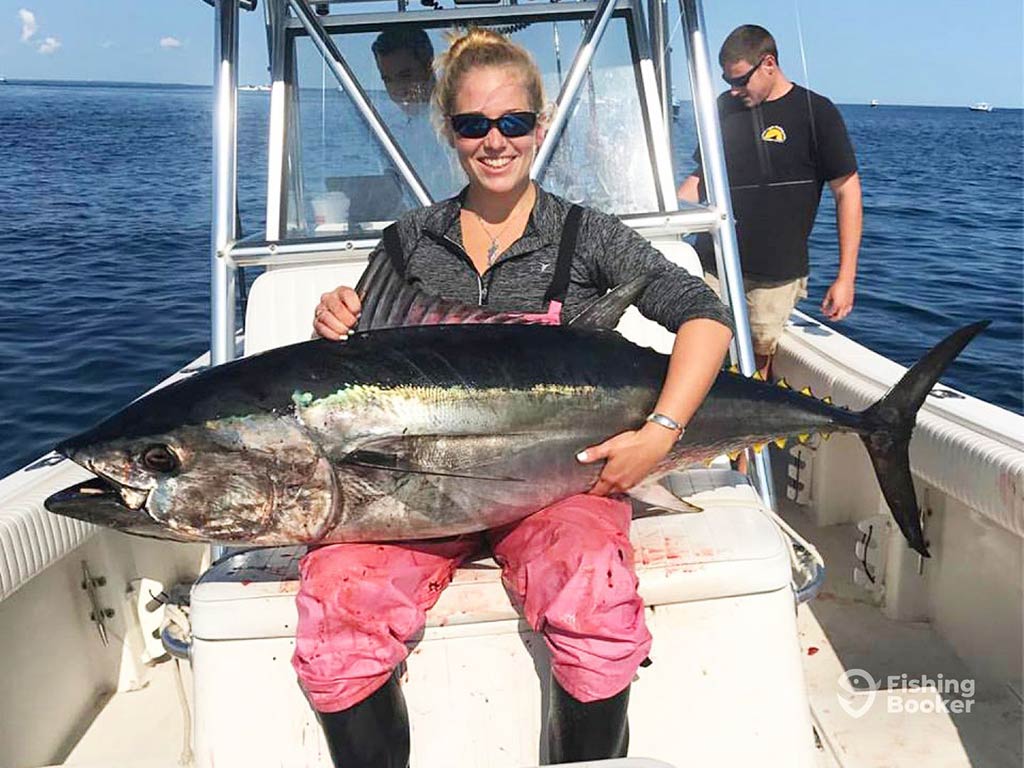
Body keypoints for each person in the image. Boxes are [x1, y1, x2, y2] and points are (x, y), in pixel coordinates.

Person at [299, 27, 734, 767]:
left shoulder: (585, 236)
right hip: (413, 496)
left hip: (560, 480)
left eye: (513, 123)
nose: (494, 141)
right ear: (449, 130)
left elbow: (703, 314)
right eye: (473, 125)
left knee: (593, 594)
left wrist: (662, 431)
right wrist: (336, 320)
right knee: (339, 607)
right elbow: (358, 374)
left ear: (541, 124)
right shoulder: (407, 241)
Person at [678, 24, 862, 379]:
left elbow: (847, 192)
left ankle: (748, 435)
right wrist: (665, 213)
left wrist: (846, 277)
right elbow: (701, 177)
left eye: (741, 81)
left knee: (757, 359)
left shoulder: (816, 113)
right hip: (713, 261)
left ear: (768, 64)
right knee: (696, 345)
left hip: (774, 273)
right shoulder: (725, 107)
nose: (734, 90)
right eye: (727, 82)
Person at [371, 27, 464, 200]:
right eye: (388, 80)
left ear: (430, 66)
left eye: (405, 76)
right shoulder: (397, 133)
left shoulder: (459, 121)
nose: (397, 89)